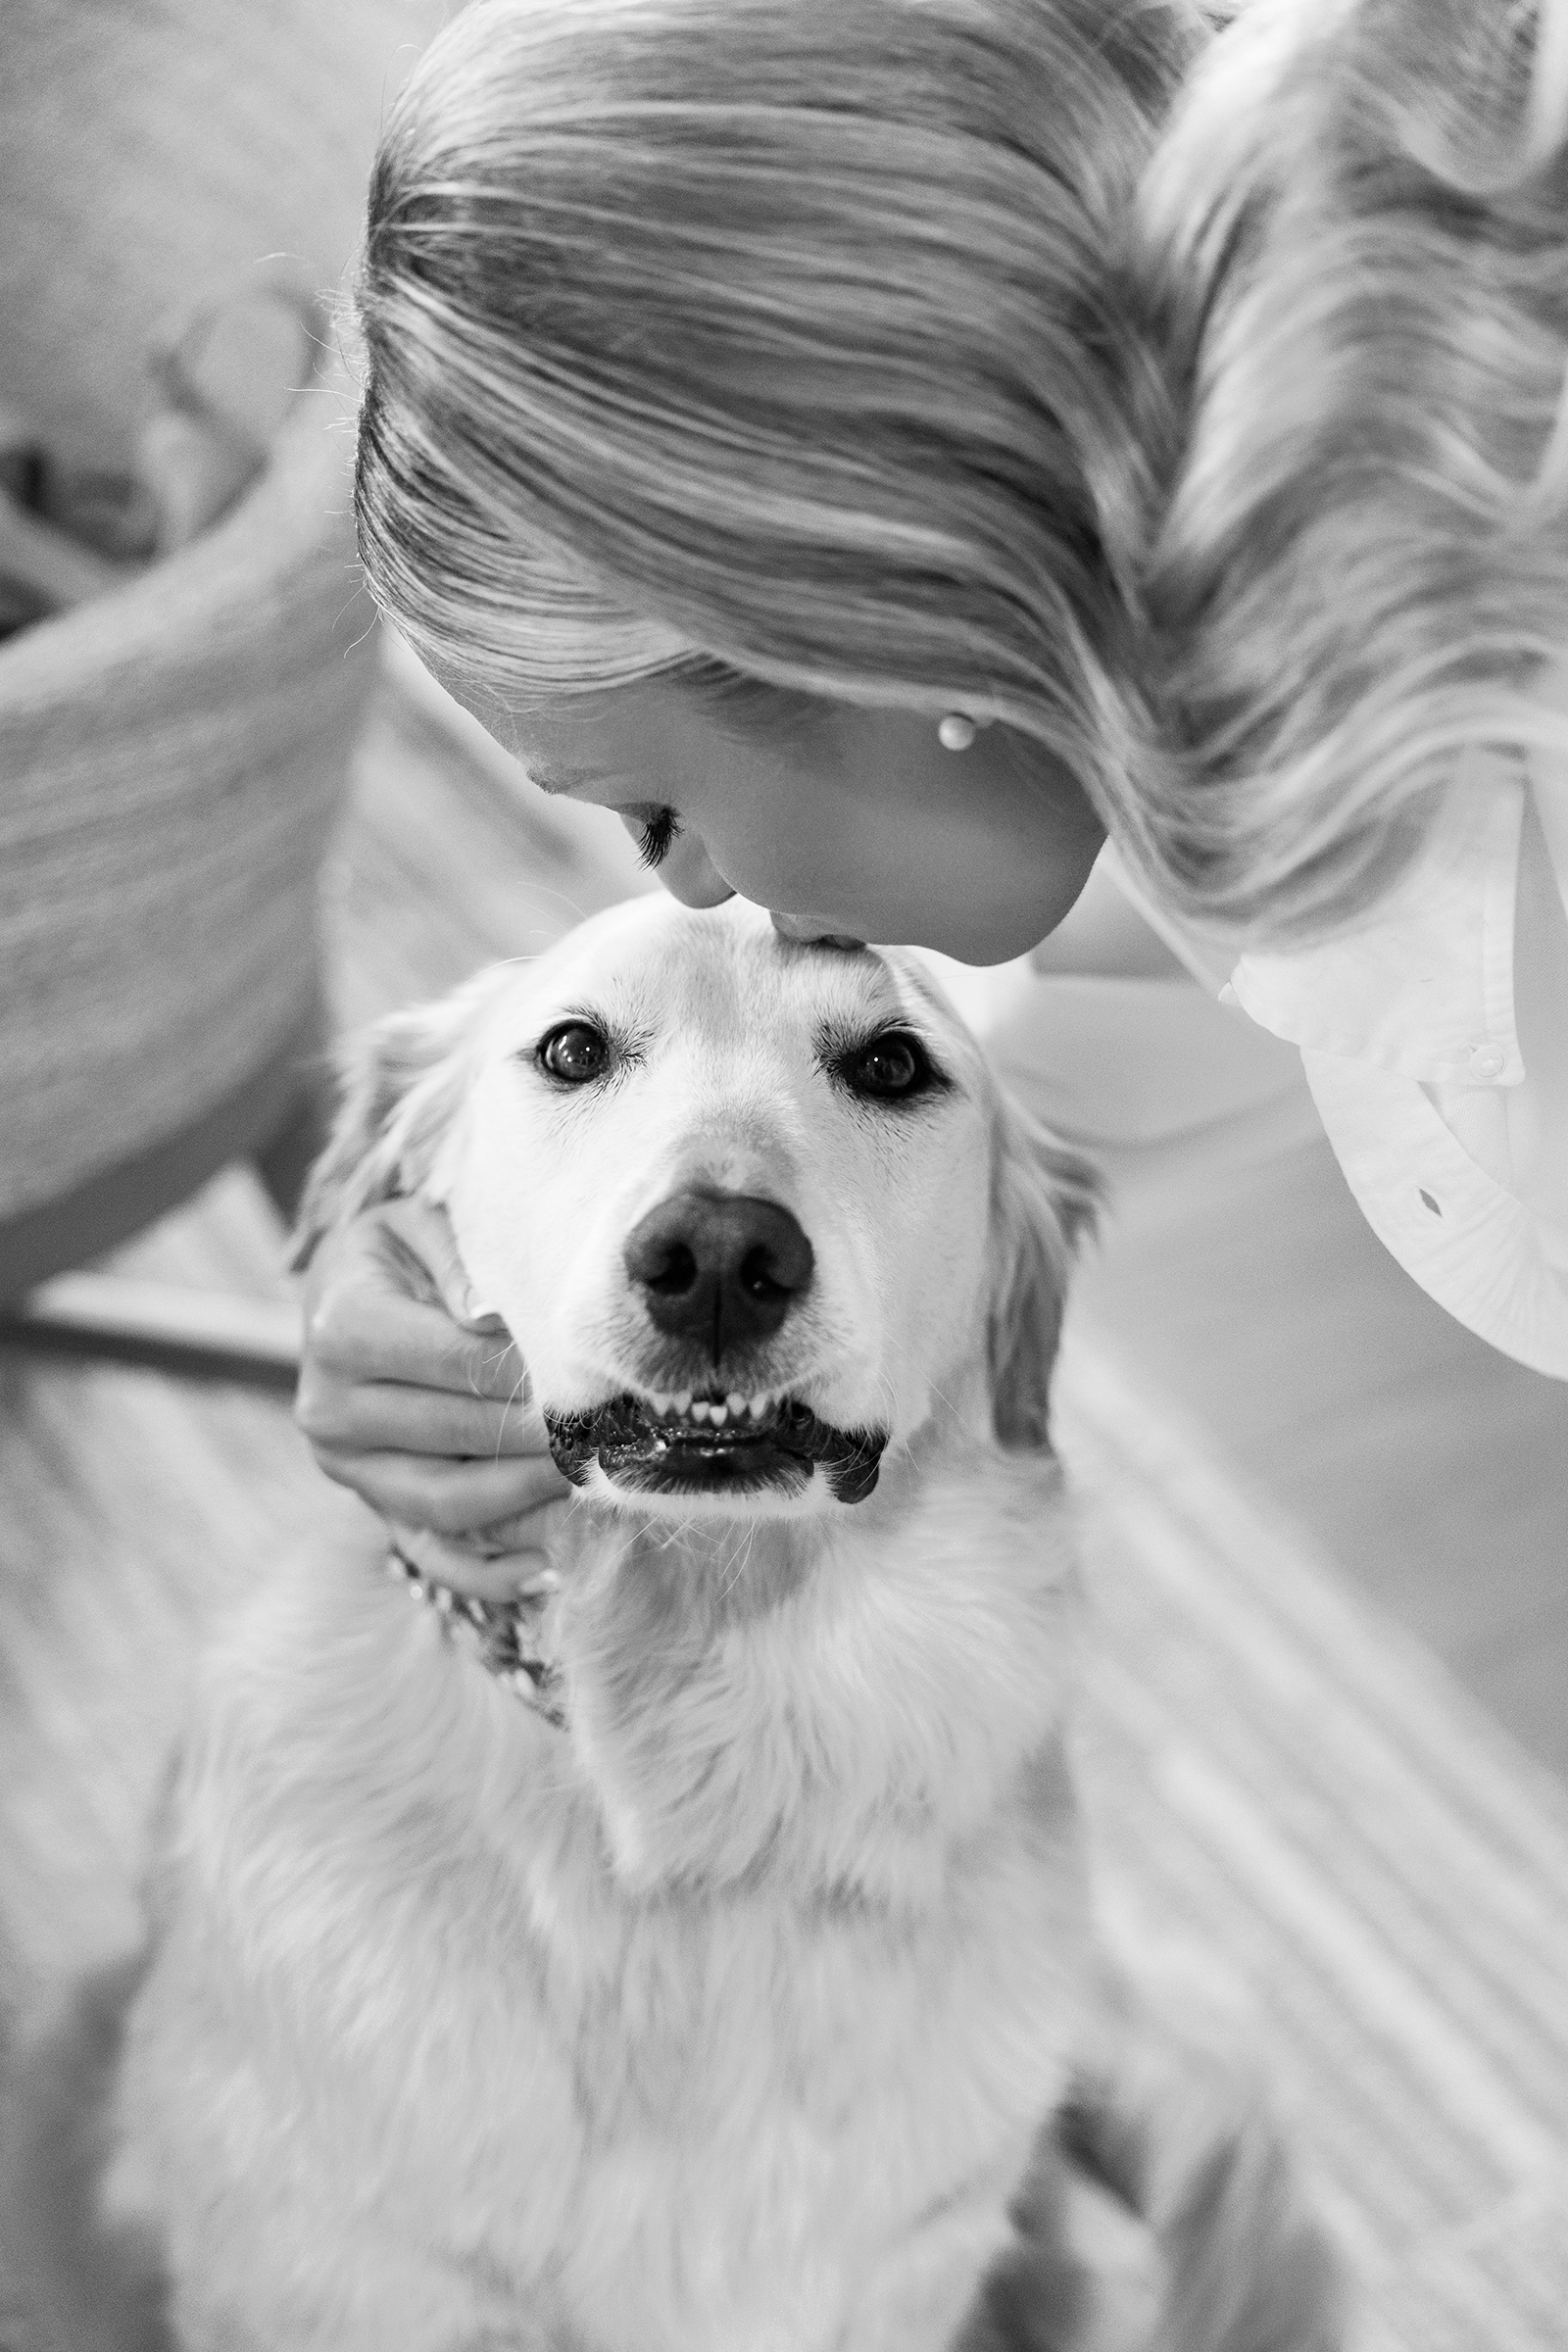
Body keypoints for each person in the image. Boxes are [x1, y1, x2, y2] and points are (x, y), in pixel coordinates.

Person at [297, 0, 1568, 1590]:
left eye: (653, 814)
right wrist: (474, 1253)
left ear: (864, 619)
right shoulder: (1244, 649)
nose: (696, 897)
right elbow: (1027, 1094)